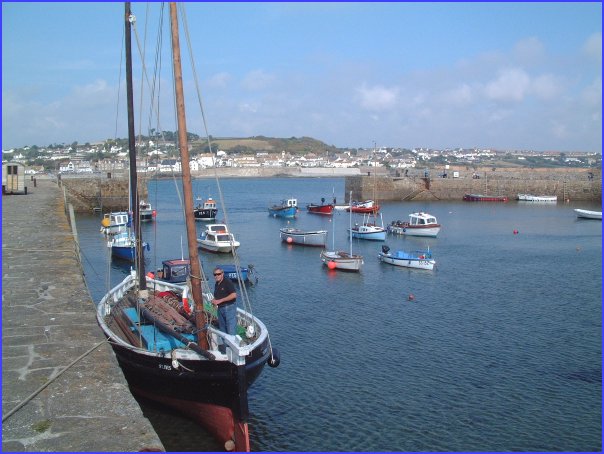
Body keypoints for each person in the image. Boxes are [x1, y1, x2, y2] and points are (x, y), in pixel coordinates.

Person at [211, 267, 237, 337]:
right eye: (215, 274)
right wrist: (214, 300)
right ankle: (225, 346)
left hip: (228, 308)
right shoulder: (217, 283)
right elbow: (218, 295)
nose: (216, 276)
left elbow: (234, 295)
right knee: (222, 329)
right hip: (220, 308)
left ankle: (232, 345)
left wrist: (220, 300)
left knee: (230, 329)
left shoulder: (227, 282)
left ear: (222, 274)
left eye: (218, 274)